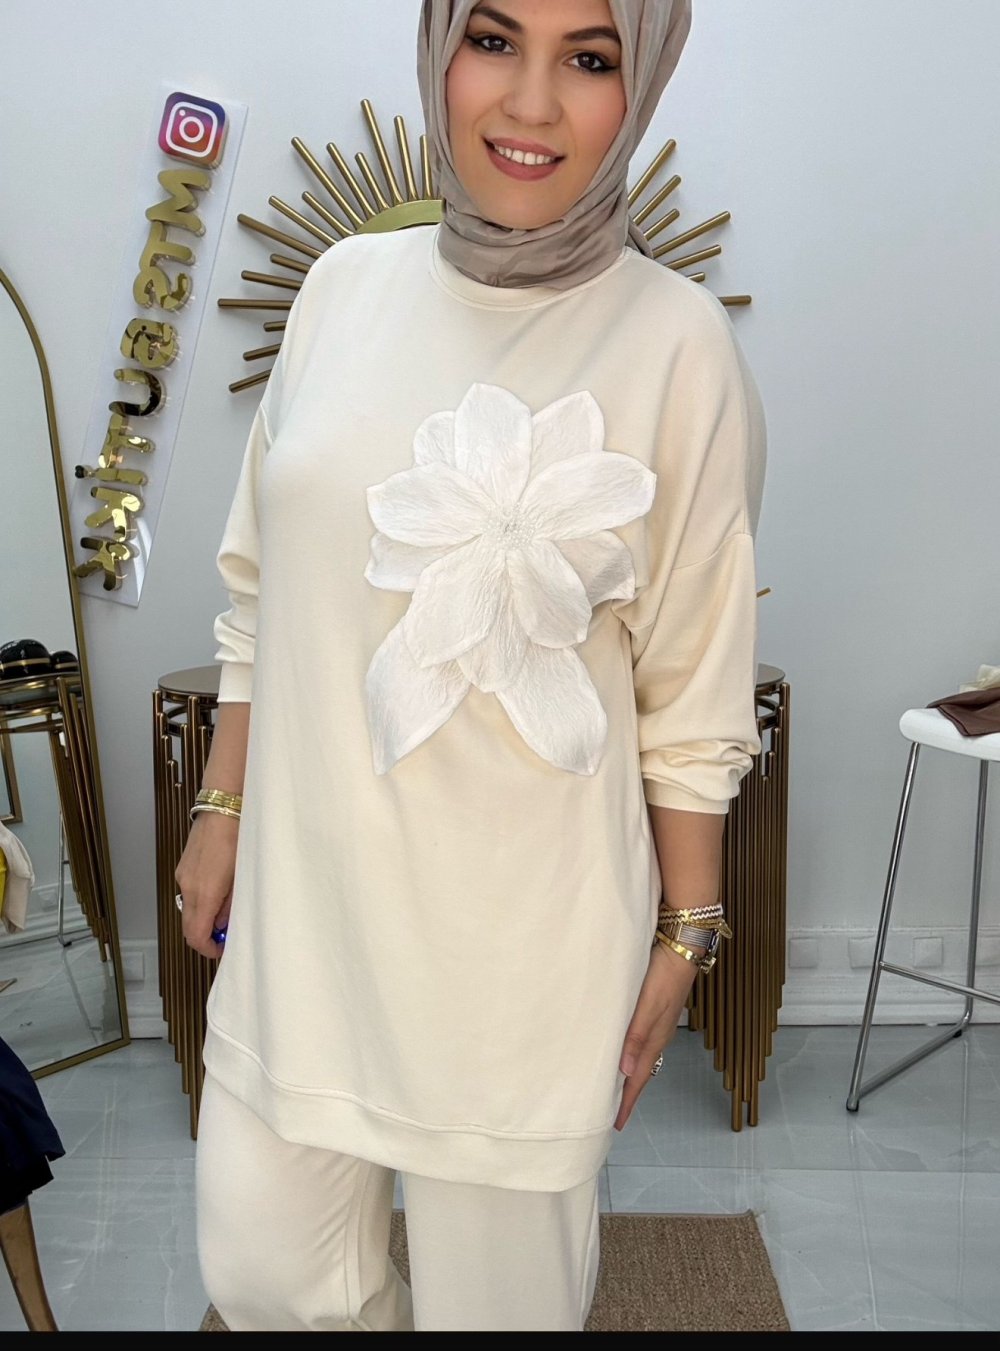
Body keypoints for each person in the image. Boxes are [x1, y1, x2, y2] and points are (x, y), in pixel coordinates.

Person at [175, 0, 766, 1332]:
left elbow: (693, 684)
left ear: (643, 80)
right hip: (308, 909)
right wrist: (221, 804)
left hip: (522, 951)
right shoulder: (343, 287)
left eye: (590, 58)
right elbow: (260, 583)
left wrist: (687, 931)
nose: (531, 103)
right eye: (494, 40)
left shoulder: (678, 345)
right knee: (265, 1275)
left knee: (501, 1311)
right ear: (438, 45)